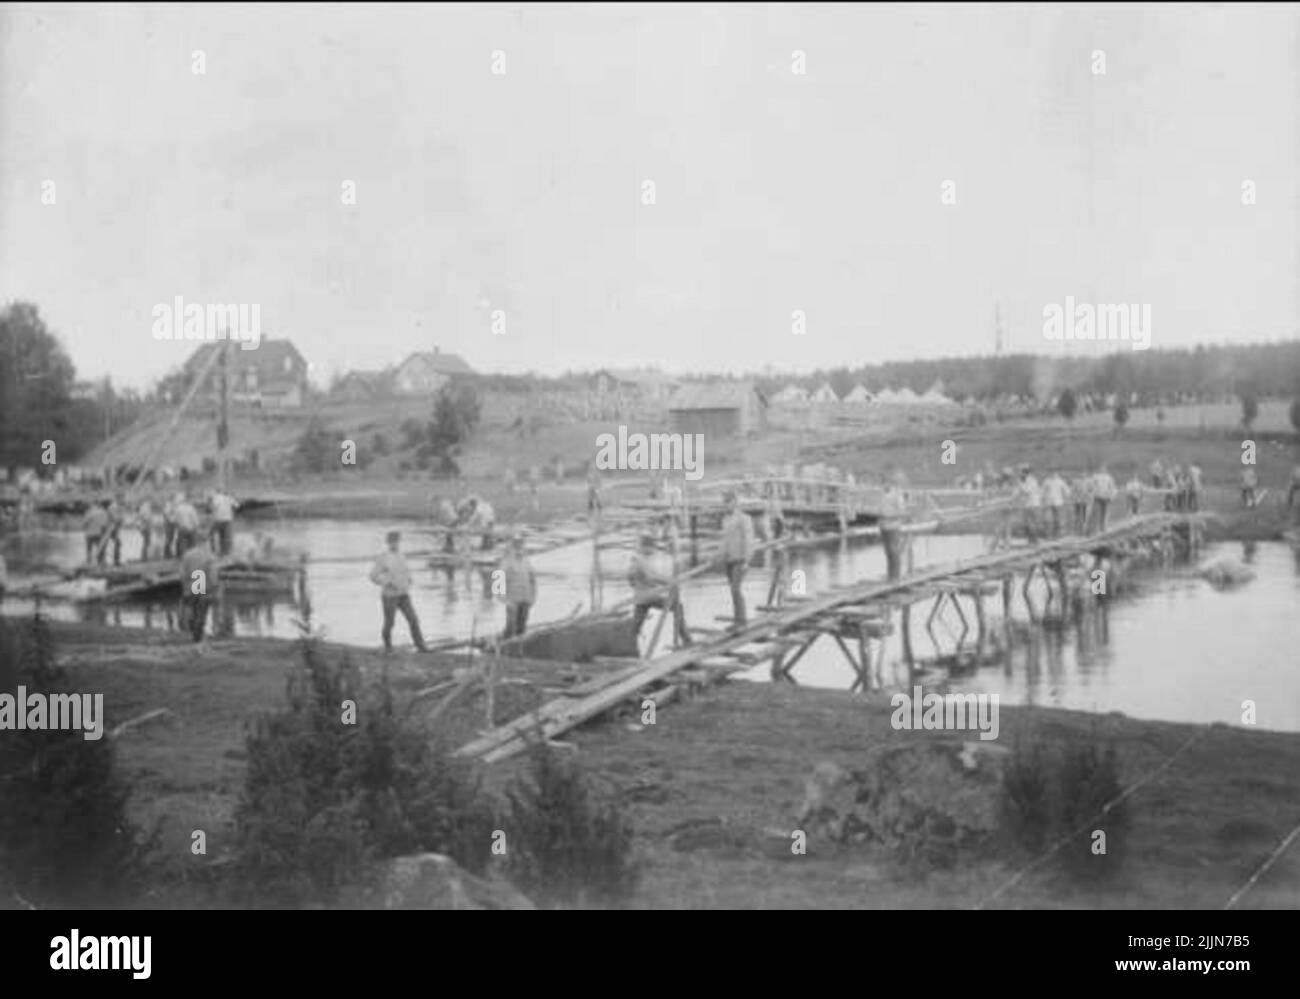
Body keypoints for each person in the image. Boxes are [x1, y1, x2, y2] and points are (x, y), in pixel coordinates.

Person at [628, 533, 691, 649]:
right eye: (651, 548)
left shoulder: (636, 560)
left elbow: (630, 578)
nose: (653, 551)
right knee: (677, 606)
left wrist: (638, 584)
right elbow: (651, 576)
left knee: (636, 625)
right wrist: (669, 581)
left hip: (642, 597)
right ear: (645, 547)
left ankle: (629, 646)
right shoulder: (640, 560)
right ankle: (686, 639)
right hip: (648, 597)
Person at [369, 530, 428, 652]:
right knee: (390, 623)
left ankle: (420, 646)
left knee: (413, 619)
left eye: (396, 541)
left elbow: (405, 571)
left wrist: (409, 579)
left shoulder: (401, 555)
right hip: (389, 596)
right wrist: (386, 583)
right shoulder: (383, 557)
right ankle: (388, 646)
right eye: (392, 542)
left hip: (404, 594)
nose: (394, 544)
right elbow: (373, 576)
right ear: (388, 543)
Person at [718, 491, 754, 627]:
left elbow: (749, 540)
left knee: (735, 589)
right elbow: (724, 542)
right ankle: (737, 619)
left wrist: (747, 560)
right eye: (724, 503)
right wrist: (717, 556)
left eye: (728, 502)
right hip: (729, 560)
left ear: (735, 502)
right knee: (733, 591)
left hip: (740, 559)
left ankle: (742, 620)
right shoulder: (725, 520)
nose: (726, 505)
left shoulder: (744, 519)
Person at [178, 535, 218, 643]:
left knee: (193, 610)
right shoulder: (210, 556)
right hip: (202, 586)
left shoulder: (187, 555)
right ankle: (197, 637)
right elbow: (213, 575)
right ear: (206, 543)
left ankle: (192, 630)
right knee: (201, 613)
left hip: (191, 586)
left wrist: (185, 586)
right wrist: (214, 588)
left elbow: (182, 574)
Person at [500, 531, 537, 640]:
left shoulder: (527, 561)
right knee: (511, 627)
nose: (518, 546)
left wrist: (533, 598)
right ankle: (504, 647)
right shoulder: (506, 561)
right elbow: (498, 583)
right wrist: (505, 601)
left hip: (525, 599)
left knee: (522, 628)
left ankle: (518, 650)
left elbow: (533, 581)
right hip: (512, 601)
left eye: (520, 543)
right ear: (511, 545)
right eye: (516, 543)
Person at [879, 480, 909, 580]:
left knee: (894, 552)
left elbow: (902, 512)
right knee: (888, 552)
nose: (884, 485)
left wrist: (889, 516)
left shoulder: (897, 496)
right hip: (883, 527)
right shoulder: (883, 496)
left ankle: (896, 576)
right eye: (883, 483)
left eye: (885, 483)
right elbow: (881, 510)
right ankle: (890, 576)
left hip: (893, 527)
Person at [1041, 470, 1068, 537]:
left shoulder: (1060, 481)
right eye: (1052, 473)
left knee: (1058, 519)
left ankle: (1058, 534)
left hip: (1058, 502)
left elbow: (1067, 490)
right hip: (1049, 502)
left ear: (1057, 473)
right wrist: (1042, 499)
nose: (1053, 474)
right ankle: (1048, 534)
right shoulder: (1047, 481)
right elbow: (1042, 491)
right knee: (1048, 519)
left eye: (1055, 473)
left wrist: (1066, 497)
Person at [209, 489, 236, 556]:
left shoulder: (216, 498)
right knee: (226, 536)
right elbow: (237, 505)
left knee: (212, 534)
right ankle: (226, 552)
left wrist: (210, 502)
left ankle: (214, 551)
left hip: (218, 519)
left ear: (217, 492)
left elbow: (212, 507)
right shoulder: (229, 497)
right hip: (228, 519)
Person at [1018, 466, 1042, 542]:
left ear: (1025, 473)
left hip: (1033, 504)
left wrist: (1020, 484)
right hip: (1027, 504)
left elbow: (1027, 491)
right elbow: (1018, 492)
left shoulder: (1032, 481)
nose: (1020, 474)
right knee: (1027, 522)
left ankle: (1034, 539)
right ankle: (1030, 539)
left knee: (1032, 522)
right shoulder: (1023, 481)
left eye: (1021, 473)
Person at [1091, 465, 1117, 532]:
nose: (1102, 470)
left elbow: (1112, 487)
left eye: (1103, 469)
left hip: (1104, 497)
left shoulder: (1107, 477)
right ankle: (1100, 528)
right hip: (1100, 496)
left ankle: (1102, 528)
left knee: (1103, 513)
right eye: (1101, 469)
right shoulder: (1097, 477)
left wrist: (1112, 496)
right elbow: (1092, 486)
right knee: (1101, 513)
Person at [83, 500, 109, 565]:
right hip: (99, 533)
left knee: (89, 549)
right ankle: (101, 563)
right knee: (100, 549)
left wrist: (86, 527)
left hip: (89, 534)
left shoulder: (89, 512)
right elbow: (105, 524)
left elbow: (85, 523)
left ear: (93, 505)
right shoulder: (103, 512)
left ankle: (89, 563)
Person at [162, 493, 178, 559]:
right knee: (169, 539)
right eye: (175, 498)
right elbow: (167, 514)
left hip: (170, 524)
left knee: (170, 539)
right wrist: (172, 521)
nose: (176, 500)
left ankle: (168, 554)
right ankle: (167, 554)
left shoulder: (171, 505)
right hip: (169, 524)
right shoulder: (168, 505)